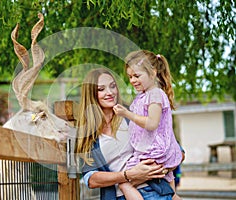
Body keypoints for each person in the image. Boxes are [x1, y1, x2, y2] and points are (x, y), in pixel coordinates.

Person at [75, 67, 177, 200]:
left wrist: (156, 170)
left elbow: (177, 150)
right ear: (91, 94)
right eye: (101, 89)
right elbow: (90, 179)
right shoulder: (86, 133)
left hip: (154, 191)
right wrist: (128, 175)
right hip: (119, 196)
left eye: (112, 86)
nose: (110, 92)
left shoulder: (133, 114)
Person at [113, 50, 183, 199]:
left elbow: (152, 123)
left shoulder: (155, 94)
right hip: (154, 149)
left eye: (137, 76)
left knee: (124, 183)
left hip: (153, 151)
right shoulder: (144, 96)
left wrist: (126, 114)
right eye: (130, 76)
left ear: (153, 73)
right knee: (168, 183)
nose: (132, 80)